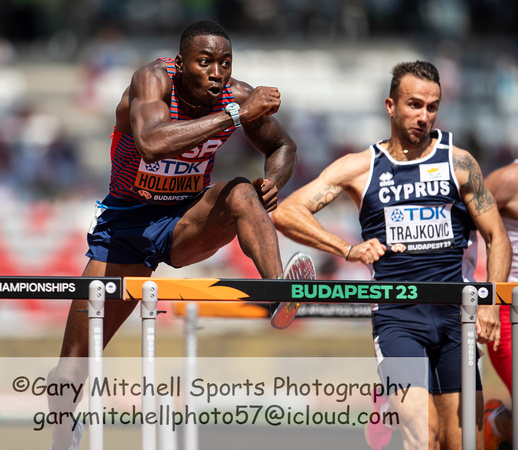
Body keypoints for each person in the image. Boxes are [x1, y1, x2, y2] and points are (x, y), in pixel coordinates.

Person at [48, 20, 297, 450]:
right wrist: (236, 115)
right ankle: (62, 435)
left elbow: (284, 146)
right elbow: (150, 142)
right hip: (125, 231)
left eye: (225, 64)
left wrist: (274, 179)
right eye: (205, 63)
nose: (217, 73)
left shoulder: (235, 95)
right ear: (181, 65)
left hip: (184, 222)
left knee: (241, 192)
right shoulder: (153, 81)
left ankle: (280, 293)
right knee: (72, 369)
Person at [272, 60, 511, 449]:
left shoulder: (459, 163)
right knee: (423, 439)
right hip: (398, 318)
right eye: (414, 105)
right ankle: (391, 399)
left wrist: (488, 301)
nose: (424, 116)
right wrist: (347, 248)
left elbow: (496, 236)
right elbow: (286, 212)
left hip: (456, 316)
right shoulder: (360, 168)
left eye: (432, 107)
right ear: (390, 105)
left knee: (462, 441)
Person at [484, 161, 518, 449]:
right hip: (510, 308)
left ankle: (498, 422)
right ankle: (494, 423)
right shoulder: (508, 179)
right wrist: (485, 301)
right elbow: (463, 230)